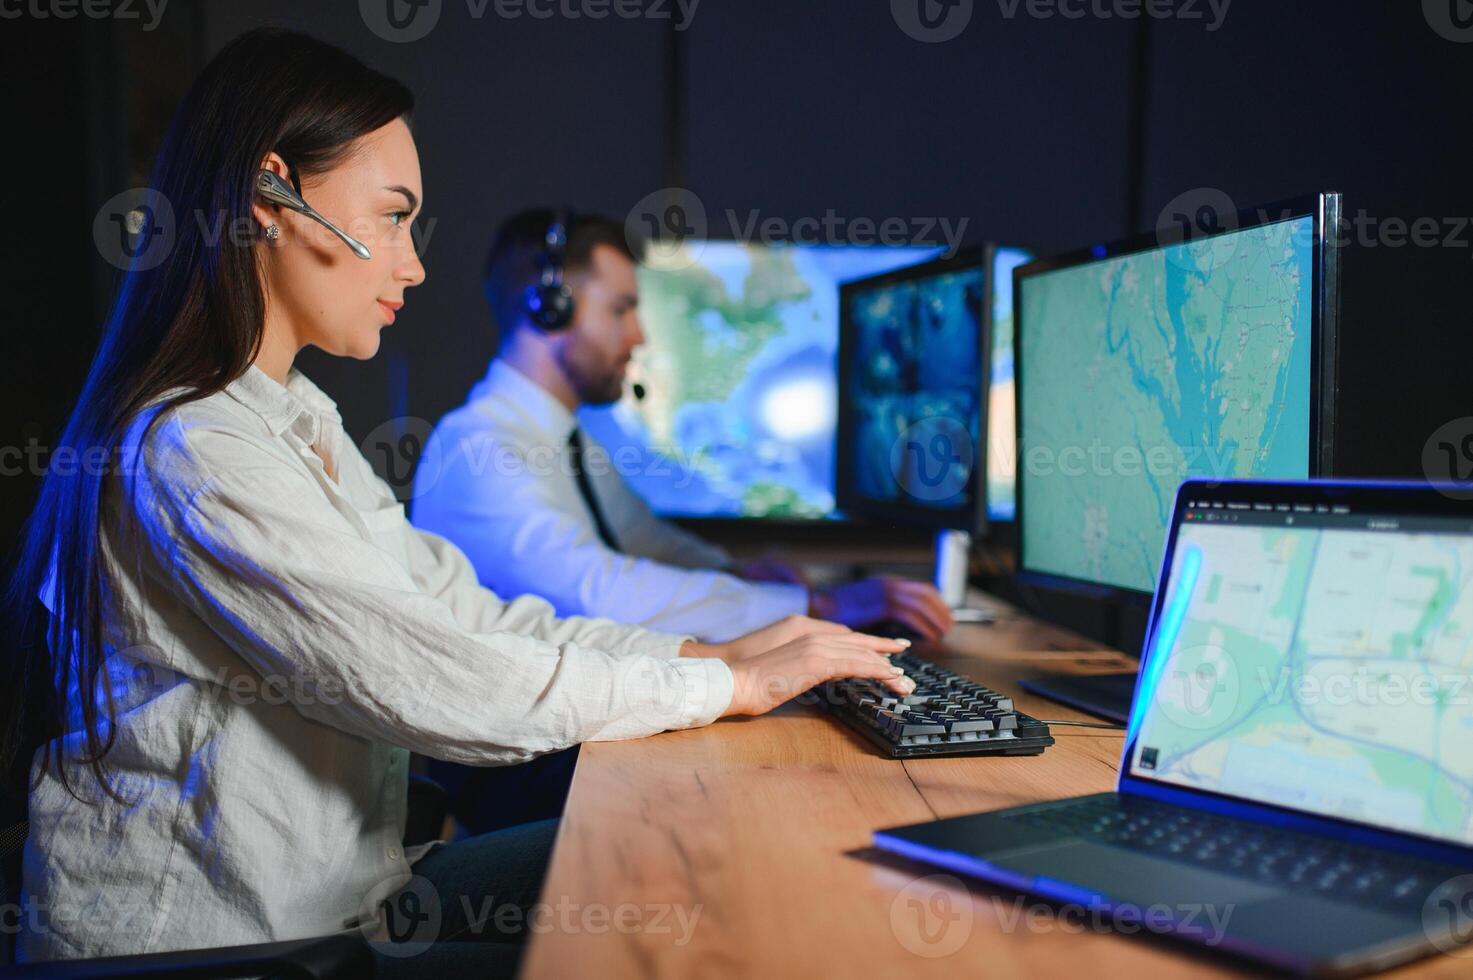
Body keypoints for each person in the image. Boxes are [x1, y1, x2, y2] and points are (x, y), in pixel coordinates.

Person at [0, 29, 914, 978]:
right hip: (236, 948)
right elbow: (431, 679)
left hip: (352, 893)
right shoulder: (195, 446)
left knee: (692, 846)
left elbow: (464, 614)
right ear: (271, 197)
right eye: (392, 218)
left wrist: (705, 656)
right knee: (675, 904)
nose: (414, 264)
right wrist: (726, 683)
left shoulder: (292, 420)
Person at [410, 210, 956, 644]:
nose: (639, 336)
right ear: (548, 308)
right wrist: (821, 606)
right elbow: (599, 592)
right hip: (515, 771)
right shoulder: (479, 450)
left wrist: (740, 572)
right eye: (621, 310)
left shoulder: (564, 441)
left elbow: (645, 540)